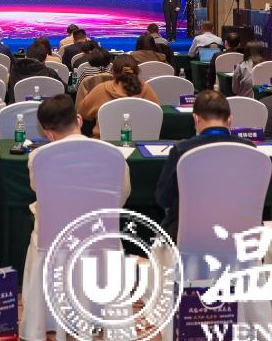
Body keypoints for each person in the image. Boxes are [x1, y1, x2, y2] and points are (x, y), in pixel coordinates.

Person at [155, 91, 255, 236]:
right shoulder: (250, 150)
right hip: (241, 233)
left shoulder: (182, 150)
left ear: (195, 119)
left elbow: (163, 198)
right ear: (230, 120)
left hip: (189, 233)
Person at [29, 94, 130, 235]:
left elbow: (40, 191)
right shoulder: (115, 155)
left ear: (48, 134)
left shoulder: (38, 157)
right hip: (101, 239)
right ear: (79, 119)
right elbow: (121, 196)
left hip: (51, 240)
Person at [76, 55, 160, 136]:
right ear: (137, 71)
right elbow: (158, 115)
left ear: (113, 72)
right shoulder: (147, 89)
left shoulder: (100, 89)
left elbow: (82, 113)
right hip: (142, 142)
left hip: (104, 142)